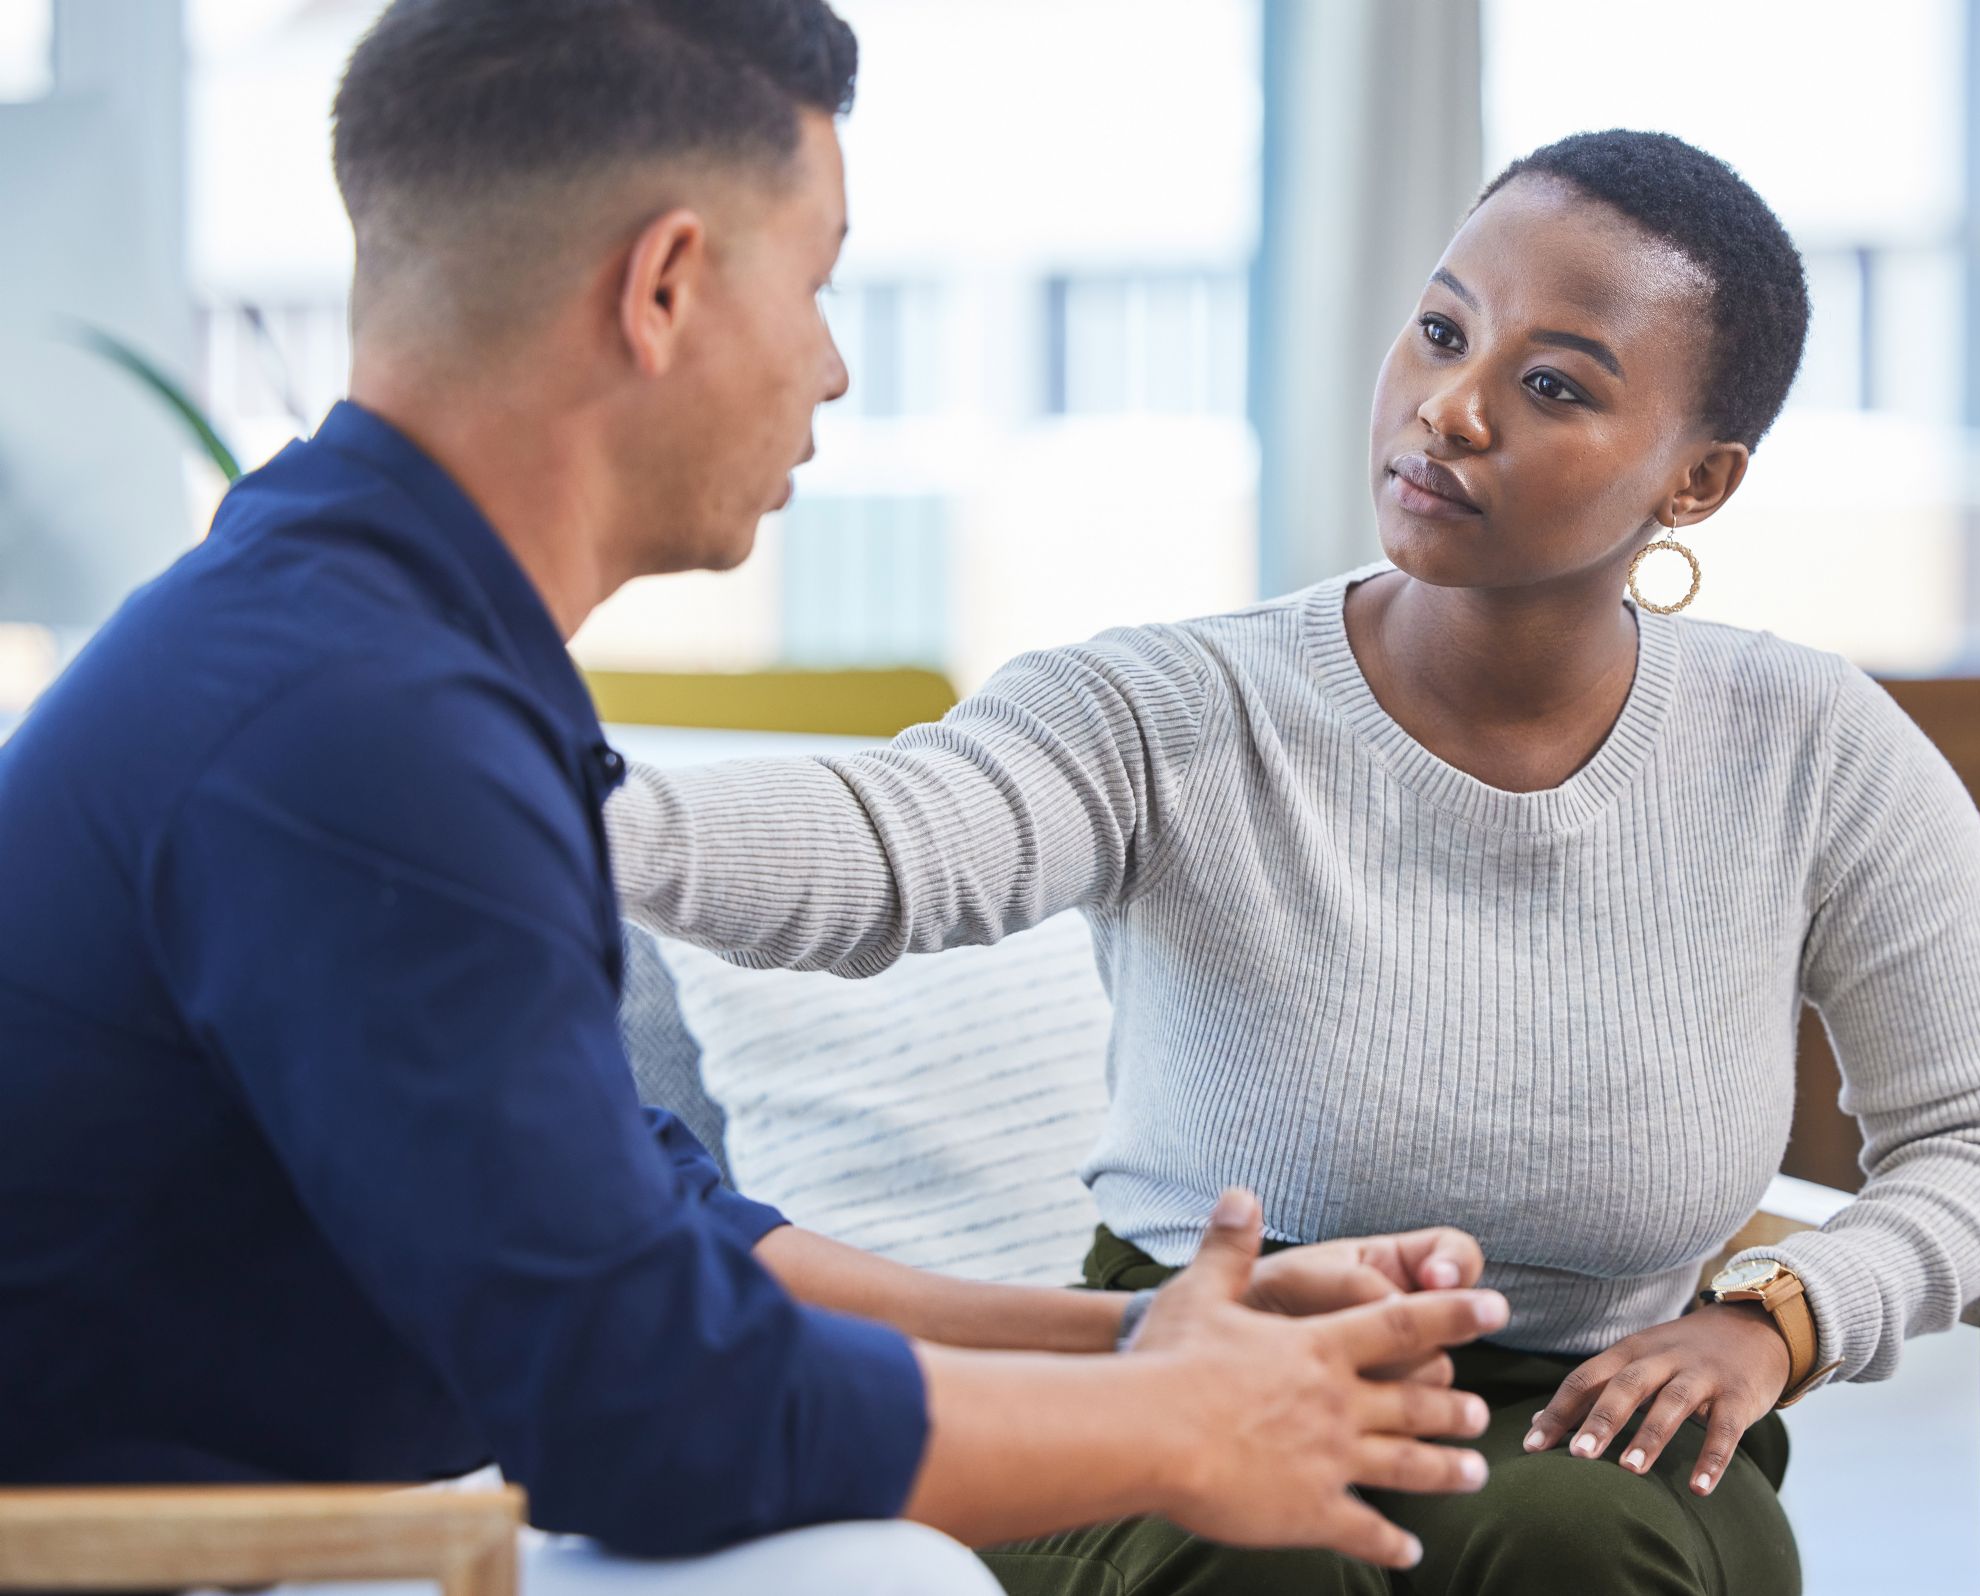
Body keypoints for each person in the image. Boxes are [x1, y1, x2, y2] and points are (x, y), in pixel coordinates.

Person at [0, 3, 1509, 1590]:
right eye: (815, 283)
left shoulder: (360, 637)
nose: (834, 367)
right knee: (878, 1575)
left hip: (248, 1533)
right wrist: (1184, 1426)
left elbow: (659, 1237)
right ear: (662, 287)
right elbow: (644, 1414)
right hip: (112, 1562)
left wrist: (1138, 1339)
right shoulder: (360, 723)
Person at [608, 128, 1980, 1595]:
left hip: (1584, 1408)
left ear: (1696, 481)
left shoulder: (1815, 747)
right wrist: (554, 805)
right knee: (1270, 1567)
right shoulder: (1172, 704)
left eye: (1553, 385)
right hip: (1197, 1360)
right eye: (1443, 331)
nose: (1450, 408)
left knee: (1593, 1548)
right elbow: (894, 842)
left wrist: (1780, 1318)